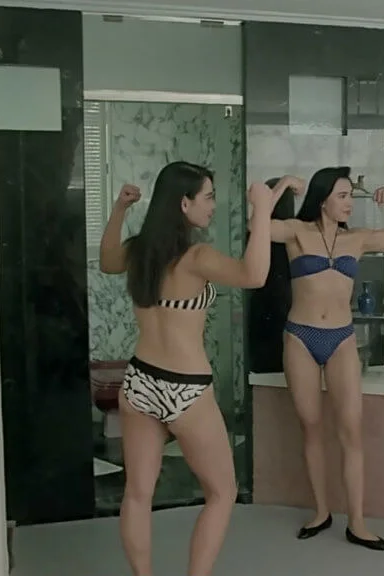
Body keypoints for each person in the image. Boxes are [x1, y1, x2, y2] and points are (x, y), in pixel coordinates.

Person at [99, 161, 287, 576]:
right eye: (208, 197)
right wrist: (262, 211)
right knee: (222, 492)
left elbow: (107, 261)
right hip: (186, 388)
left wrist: (119, 209)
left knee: (137, 495)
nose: (213, 205)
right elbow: (255, 275)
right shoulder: (196, 257)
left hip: (140, 381)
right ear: (184, 204)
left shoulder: (140, 250)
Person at [269, 166, 384, 551]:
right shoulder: (296, 231)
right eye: (342, 196)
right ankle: (321, 512)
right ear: (322, 199)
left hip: (341, 339)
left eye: (351, 196)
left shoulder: (359, 238)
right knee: (311, 428)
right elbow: (257, 226)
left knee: (351, 431)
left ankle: (357, 522)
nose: (349, 203)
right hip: (300, 337)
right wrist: (283, 186)